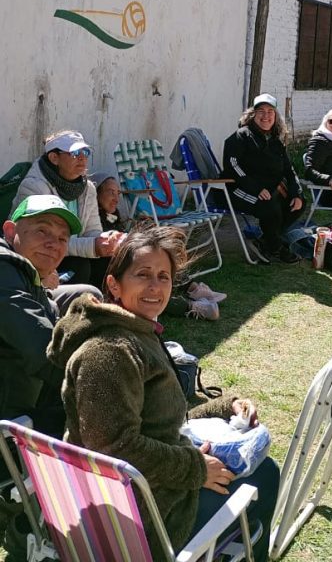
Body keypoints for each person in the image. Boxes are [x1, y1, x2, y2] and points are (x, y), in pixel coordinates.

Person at [47, 225, 279, 561]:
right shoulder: (110, 351)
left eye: (164, 276)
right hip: (145, 518)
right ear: (114, 284)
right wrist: (196, 468)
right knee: (265, 474)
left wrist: (221, 407)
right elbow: (113, 448)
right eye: (143, 275)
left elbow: (159, 421)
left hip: (146, 492)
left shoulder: (136, 332)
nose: (155, 287)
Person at [0, 194, 102, 436]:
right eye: (42, 231)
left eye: (62, 238)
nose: (53, 244)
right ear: (9, 230)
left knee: (86, 296)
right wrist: (109, 381)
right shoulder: (3, 271)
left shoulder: (19, 268)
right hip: (11, 422)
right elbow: (43, 351)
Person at [11, 130, 125, 285]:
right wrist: (93, 246)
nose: (82, 158)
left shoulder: (88, 188)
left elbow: (92, 231)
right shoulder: (34, 187)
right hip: (40, 255)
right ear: (54, 158)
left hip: (71, 253)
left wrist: (106, 240)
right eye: (74, 153)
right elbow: (44, 240)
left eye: (85, 152)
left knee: (110, 261)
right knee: (81, 266)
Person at [222, 93, 305, 263]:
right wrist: (256, 188)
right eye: (261, 111)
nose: (266, 116)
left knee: (298, 203)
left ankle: (267, 240)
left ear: (275, 116)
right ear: (253, 114)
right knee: (270, 206)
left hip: (267, 192)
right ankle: (275, 247)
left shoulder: (275, 141)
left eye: (270, 112)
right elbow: (232, 166)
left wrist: (296, 193)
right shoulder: (241, 136)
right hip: (238, 190)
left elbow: (289, 171)